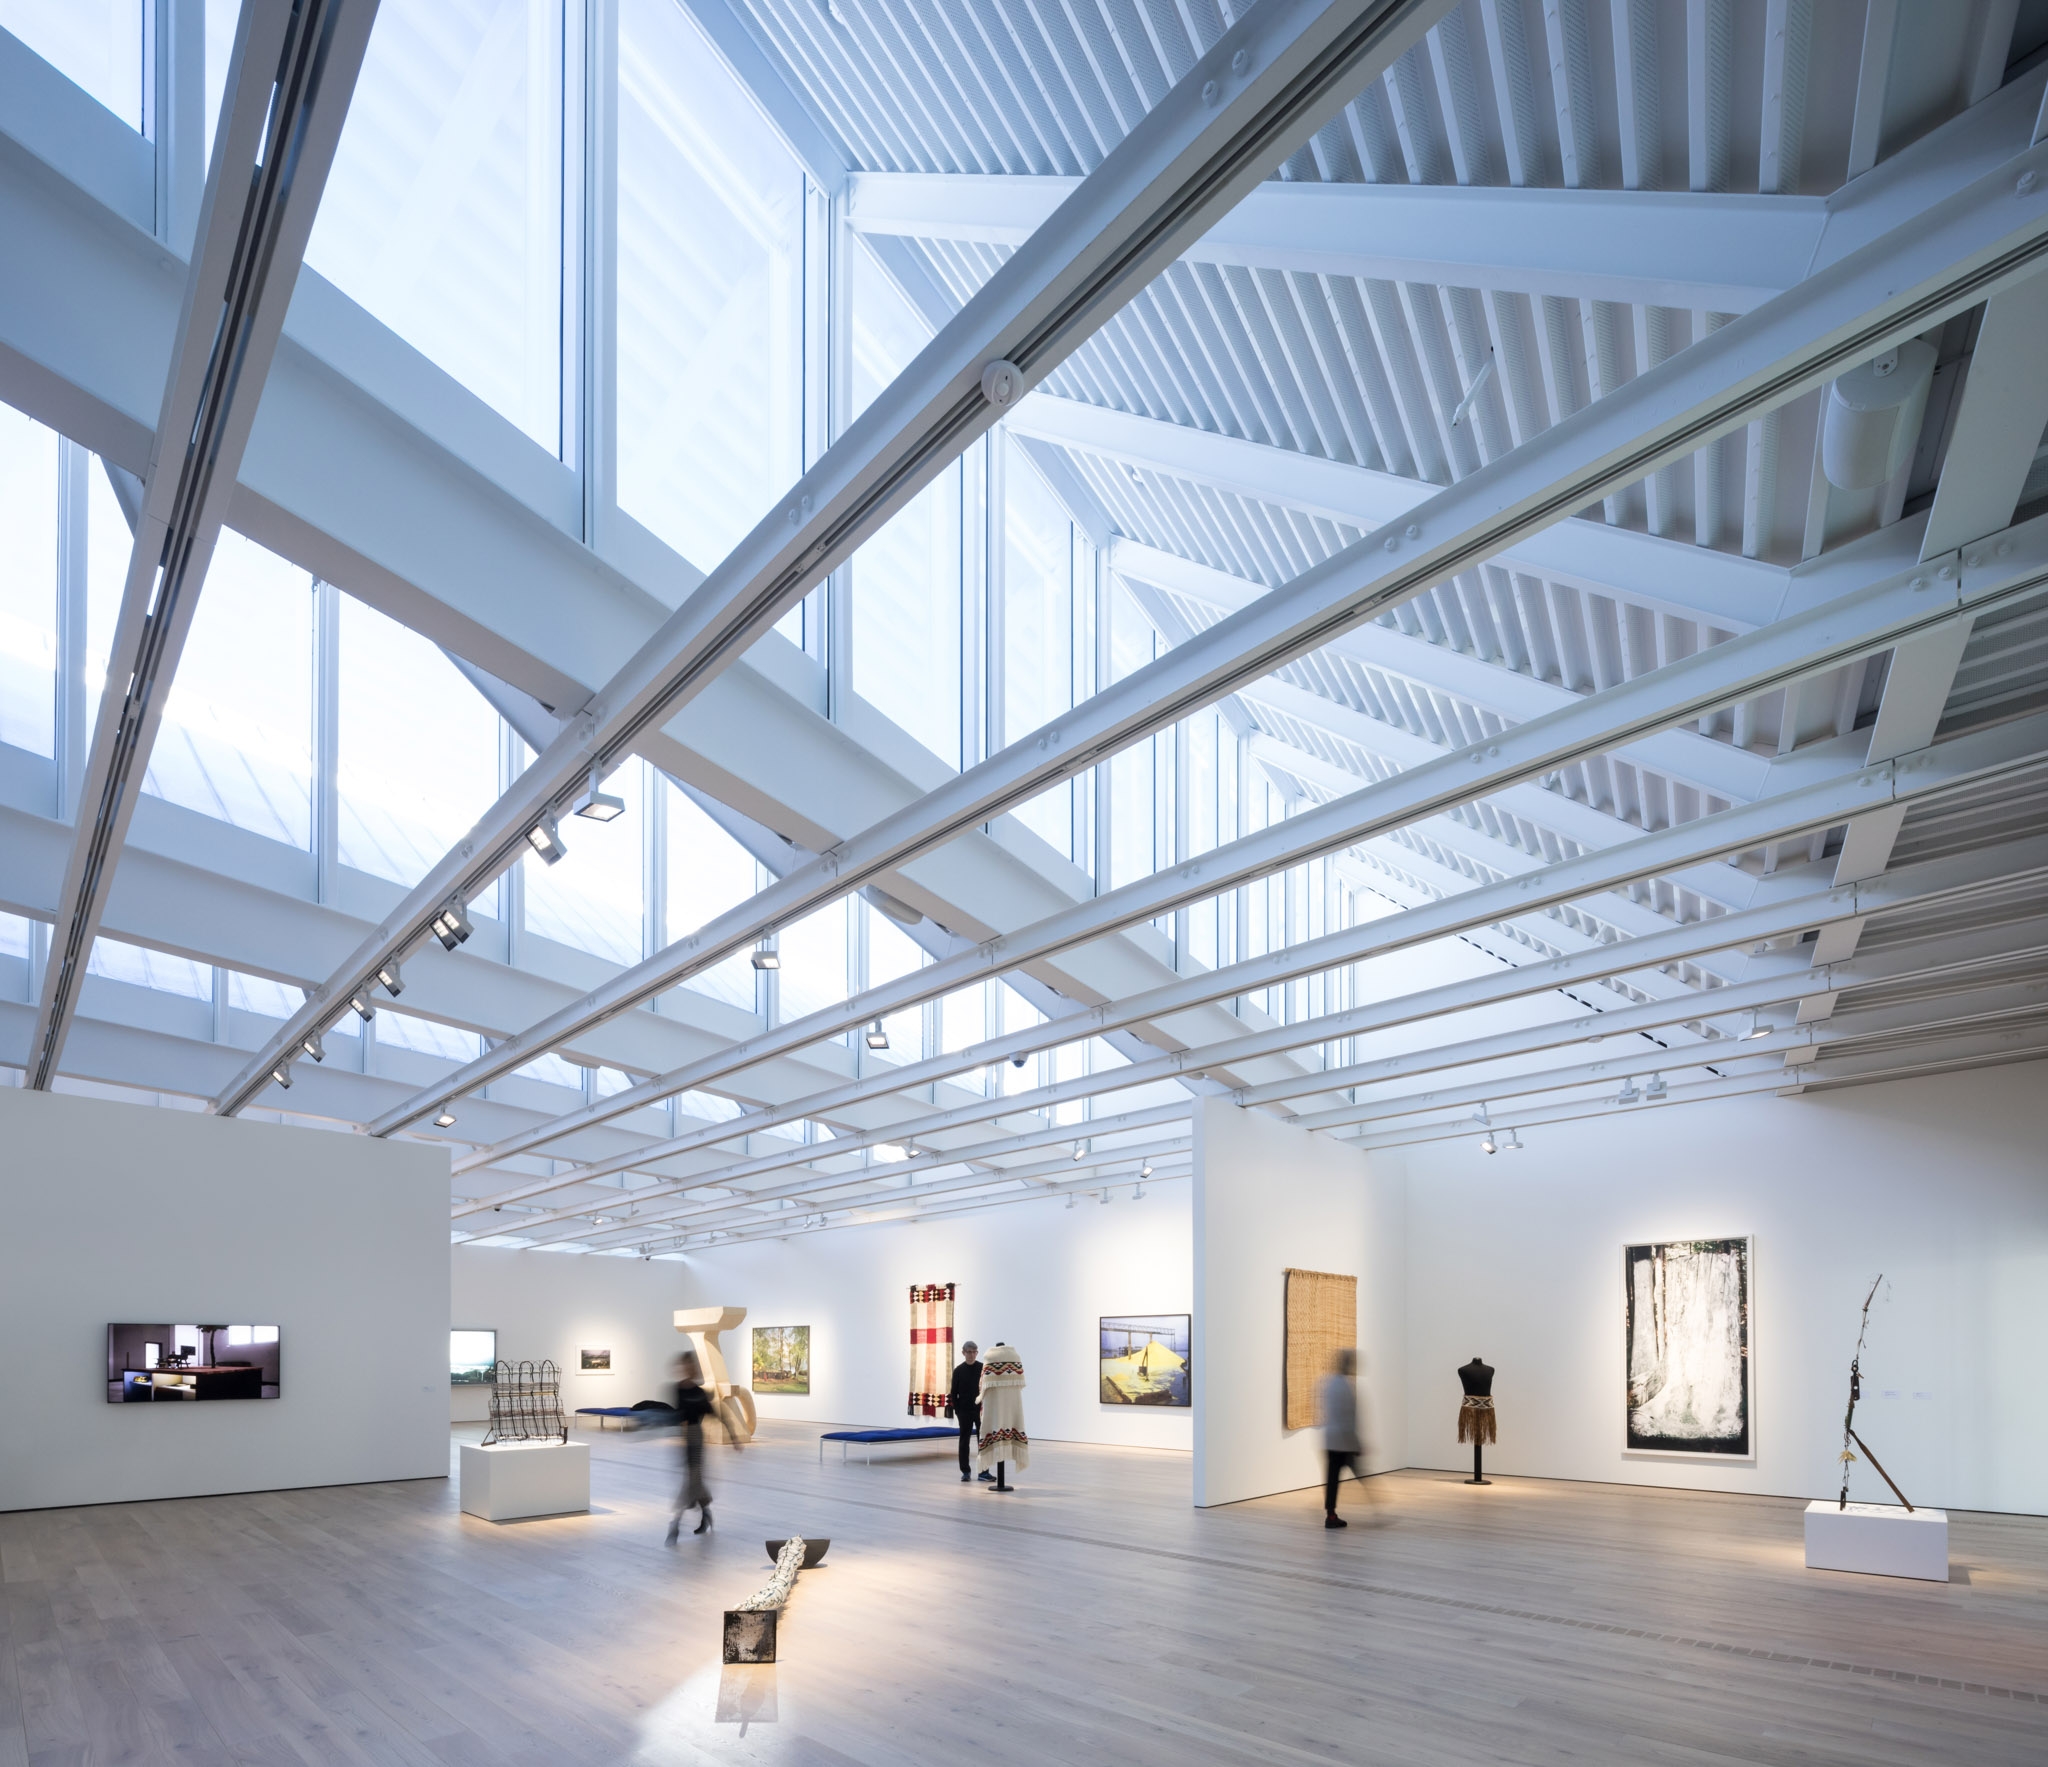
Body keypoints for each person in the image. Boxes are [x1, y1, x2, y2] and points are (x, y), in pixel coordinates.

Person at [666, 1349, 732, 1541]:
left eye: (689, 1365)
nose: (686, 1368)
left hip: (696, 1438)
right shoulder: (678, 1389)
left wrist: (734, 1436)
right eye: (683, 1365)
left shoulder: (699, 1393)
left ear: (693, 1368)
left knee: (691, 1480)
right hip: (685, 1439)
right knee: (695, 1479)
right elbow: (676, 1415)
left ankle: (675, 1524)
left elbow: (716, 1414)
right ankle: (706, 1514)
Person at [1319, 1347, 1366, 1529]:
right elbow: (1349, 1419)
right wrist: (1357, 1444)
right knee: (1361, 1475)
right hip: (1343, 1442)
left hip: (1330, 1439)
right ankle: (1378, 1508)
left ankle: (1330, 1515)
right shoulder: (1346, 1387)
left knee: (1332, 1479)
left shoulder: (1328, 1383)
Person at [949, 1340, 991, 1482]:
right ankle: (965, 1472)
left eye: (974, 1352)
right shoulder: (958, 1371)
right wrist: (958, 1411)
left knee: (983, 1441)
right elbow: (953, 1393)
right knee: (964, 1441)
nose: (972, 1355)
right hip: (964, 1411)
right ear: (963, 1353)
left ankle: (983, 1472)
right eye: (969, 1352)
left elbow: (988, 1388)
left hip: (980, 1411)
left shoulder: (982, 1368)